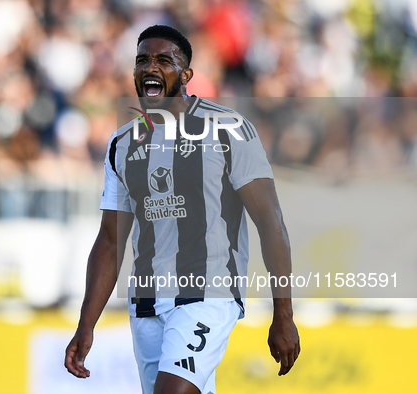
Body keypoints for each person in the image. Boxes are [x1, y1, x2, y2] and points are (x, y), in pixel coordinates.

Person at [65, 25, 300, 394]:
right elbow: (110, 241)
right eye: (142, 60)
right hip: (145, 305)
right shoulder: (122, 143)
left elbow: (271, 225)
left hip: (207, 296)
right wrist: (85, 324)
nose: (150, 67)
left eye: (163, 60)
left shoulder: (228, 130)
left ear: (186, 75)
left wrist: (283, 314)